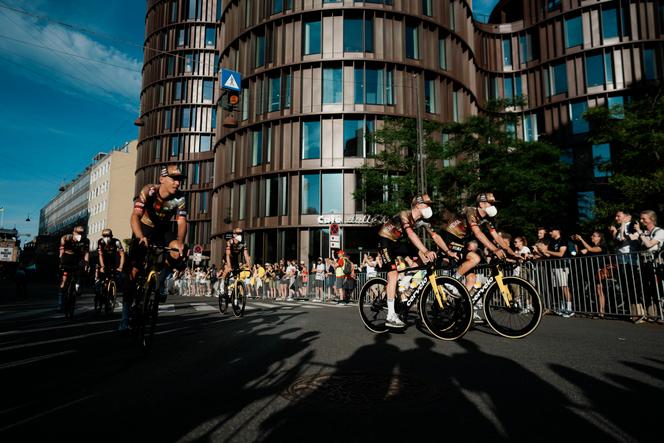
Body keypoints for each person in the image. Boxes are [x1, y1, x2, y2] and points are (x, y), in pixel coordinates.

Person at [120, 164, 188, 331]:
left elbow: (181, 221)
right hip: (143, 229)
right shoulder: (149, 191)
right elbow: (135, 216)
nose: (177, 183)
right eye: (174, 179)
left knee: (177, 251)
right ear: (162, 179)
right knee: (133, 273)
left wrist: (180, 241)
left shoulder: (180, 198)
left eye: (179, 180)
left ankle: (160, 281)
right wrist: (140, 236)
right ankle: (125, 318)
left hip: (163, 230)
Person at [377, 194, 449, 328]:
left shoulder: (423, 221)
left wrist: (448, 252)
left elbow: (435, 236)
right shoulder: (405, 214)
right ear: (418, 205)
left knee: (425, 260)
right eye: (427, 205)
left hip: (398, 242)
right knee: (392, 273)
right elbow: (411, 234)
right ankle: (390, 315)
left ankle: (406, 285)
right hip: (385, 240)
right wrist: (426, 250)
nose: (430, 208)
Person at [435, 193, 516, 293]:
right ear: (481, 204)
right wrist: (495, 249)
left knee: (472, 279)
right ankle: (450, 283)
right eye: (491, 203)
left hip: (460, 241)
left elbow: (497, 236)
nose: (493, 206)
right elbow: (478, 233)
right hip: (448, 239)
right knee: (475, 258)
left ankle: (460, 303)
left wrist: (512, 253)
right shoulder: (471, 211)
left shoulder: (487, 218)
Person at [609, 210, 642, 322]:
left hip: (630, 260)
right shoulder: (619, 228)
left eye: (619, 216)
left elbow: (623, 238)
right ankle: (632, 312)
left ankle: (638, 313)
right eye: (616, 216)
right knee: (626, 286)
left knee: (632, 285)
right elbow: (617, 242)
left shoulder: (632, 225)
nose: (616, 218)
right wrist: (614, 233)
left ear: (627, 217)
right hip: (621, 260)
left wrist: (623, 225)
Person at [538, 226, 574, 317]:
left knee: (564, 286)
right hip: (554, 267)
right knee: (559, 288)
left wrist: (547, 251)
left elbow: (561, 254)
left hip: (562, 266)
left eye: (551, 231)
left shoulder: (563, 240)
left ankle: (569, 308)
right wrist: (541, 251)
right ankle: (563, 307)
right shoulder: (552, 242)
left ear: (557, 231)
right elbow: (549, 255)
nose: (550, 233)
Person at [635, 210, 664, 321]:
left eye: (644, 219)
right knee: (649, 289)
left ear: (651, 219)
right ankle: (654, 314)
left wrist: (639, 232)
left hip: (657, 264)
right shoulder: (644, 232)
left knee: (659, 289)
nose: (641, 221)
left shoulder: (660, 231)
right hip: (645, 263)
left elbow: (649, 244)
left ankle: (661, 314)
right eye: (641, 218)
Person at [572, 231, 608, 318]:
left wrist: (581, 239)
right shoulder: (592, 246)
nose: (592, 237)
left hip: (599, 271)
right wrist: (576, 242)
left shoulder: (602, 246)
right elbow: (580, 253)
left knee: (600, 291)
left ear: (599, 238)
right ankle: (597, 310)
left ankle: (601, 312)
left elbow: (591, 250)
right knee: (595, 291)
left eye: (594, 236)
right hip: (592, 271)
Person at [58, 225, 90, 312]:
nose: (80, 235)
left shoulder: (85, 240)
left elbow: (86, 253)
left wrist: (86, 264)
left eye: (82, 233)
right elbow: (61, 251)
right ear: (73, 232)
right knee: (64, 281)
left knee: (80, 271)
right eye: (78, 233)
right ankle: (60, 303)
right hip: (66, 258)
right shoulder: (66, 238)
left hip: (78, 258)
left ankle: (77, 285)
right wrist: (61, 262)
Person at [96, 228, 125, 306]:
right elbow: (100, 254)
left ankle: (112, 295)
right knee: (102, 276)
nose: (106, 237)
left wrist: (121, 266)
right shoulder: (100, 242)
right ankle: (99, 288)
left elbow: (122, 255)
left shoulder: (117, 242)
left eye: (108, 235)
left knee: (116, 277)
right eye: (104, 236)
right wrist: (102, 266)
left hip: (114, 261)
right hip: (104, 260)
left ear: (111, 236)